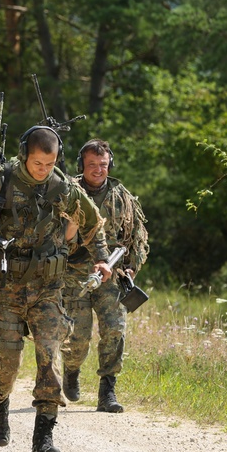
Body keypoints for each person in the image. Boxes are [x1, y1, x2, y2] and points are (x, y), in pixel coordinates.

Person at [0, 126, 111, 452]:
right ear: (25, 155)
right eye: (38, 163)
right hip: (4, 286)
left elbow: (92, 221)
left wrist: (101, 258)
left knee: (49, 359)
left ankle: (43, 438)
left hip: (48, 288)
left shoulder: (62, 187)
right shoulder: (1, 182)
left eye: (50, 163)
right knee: (7, 361)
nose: (44, 170)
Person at [61, 139, 148, 413]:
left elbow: (137, 237)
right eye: (91, 165)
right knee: (78, 335)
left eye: (103, 164)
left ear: (110, 163)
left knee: (114, 331)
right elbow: (54, 234)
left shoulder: (122, 196)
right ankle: (71, 370)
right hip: (74, 276)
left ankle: (107, 391)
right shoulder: (67, 192)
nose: (98, 170)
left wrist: (132, 267)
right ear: (81, 166)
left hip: (111, 276)